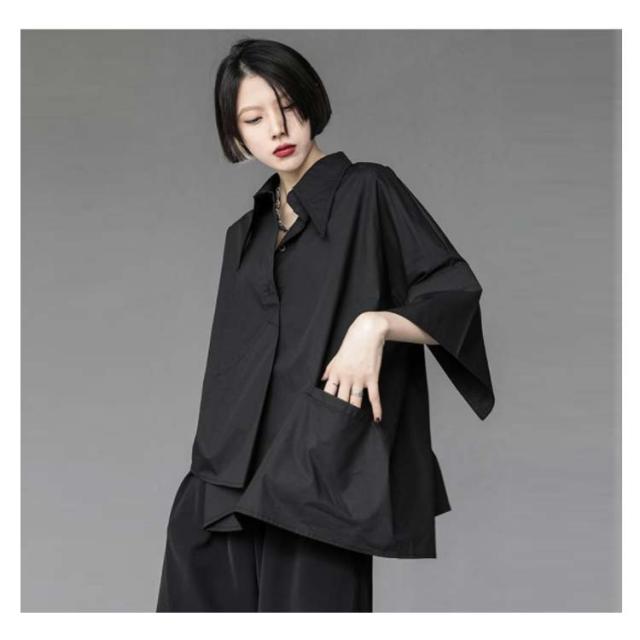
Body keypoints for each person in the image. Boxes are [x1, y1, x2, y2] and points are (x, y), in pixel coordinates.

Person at [156, 37, 495, 612]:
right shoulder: (244, 236)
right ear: (236, 136)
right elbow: (230, 371)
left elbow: (454, 292)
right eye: (254, 119)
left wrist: (375, 325)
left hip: (319, 477)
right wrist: (201, 484)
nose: (278, 128)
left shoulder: (369, 190)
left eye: (287, 106)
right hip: (221, 486)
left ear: (311, 101)